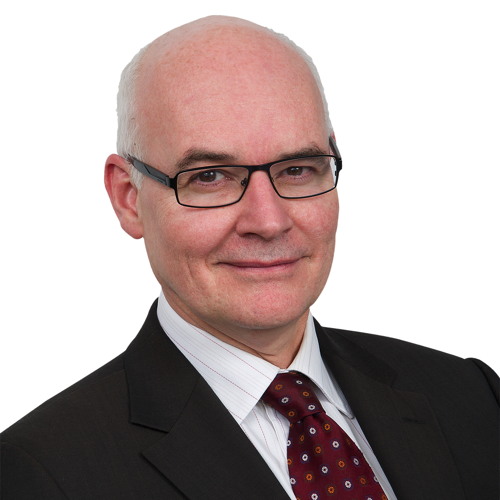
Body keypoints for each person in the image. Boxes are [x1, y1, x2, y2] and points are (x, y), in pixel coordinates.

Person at [1, 15, 498, 500]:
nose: (268, 220)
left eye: (298, 169)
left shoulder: (473, 398)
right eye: (210, 177)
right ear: (129, 198)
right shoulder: (42, 474)